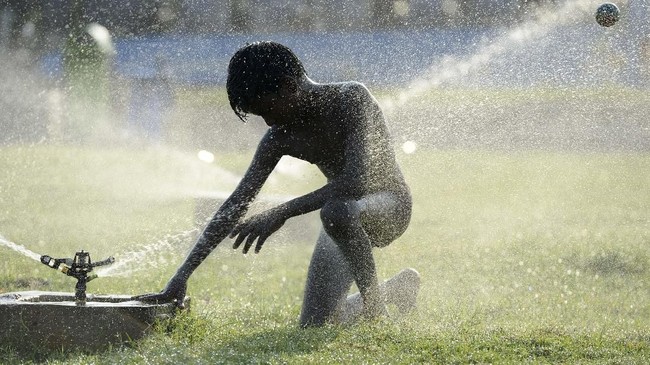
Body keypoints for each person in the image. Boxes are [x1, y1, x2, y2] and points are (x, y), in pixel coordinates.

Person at [138, 41, 420, 327]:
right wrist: (181, 276)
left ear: (288, 86)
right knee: (314, 326)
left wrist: (281, 212)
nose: (269, 123)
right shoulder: (279, 138)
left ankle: (377, 313)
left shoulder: (351, 98)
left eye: (268, 111)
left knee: (336, 212)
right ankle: (396, 289)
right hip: (341, 219)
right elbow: (237, 203)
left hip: (388, 206)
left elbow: (356, 182)